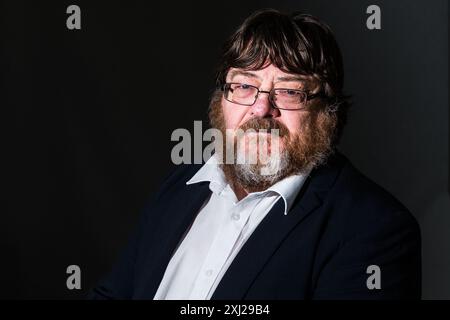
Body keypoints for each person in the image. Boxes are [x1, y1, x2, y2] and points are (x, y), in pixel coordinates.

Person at [88, 8, 421, 300]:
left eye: (290, 91)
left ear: (328, 112)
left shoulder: (374, 228)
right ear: (221, 99)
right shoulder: (181, 185)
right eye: (244, 86)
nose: (261, 108)